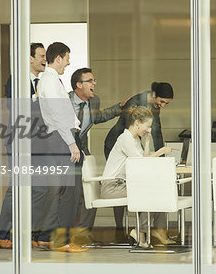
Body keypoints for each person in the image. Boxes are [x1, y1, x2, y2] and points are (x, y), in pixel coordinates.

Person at [103, 82, 174, 240]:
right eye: (161, 102)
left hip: (133, 146)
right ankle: (124, 230)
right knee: (146, 189)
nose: (162, 106)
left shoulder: (136, 137)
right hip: (116, 148)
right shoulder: (128, 130)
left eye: (166, 104)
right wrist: (160, 152)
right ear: (154, 94)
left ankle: (153, 230)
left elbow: (157, 132)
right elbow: (136, 157)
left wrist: (156, 153)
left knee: (154, 186)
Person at [35, 42, 87, 253]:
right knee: (69, 193)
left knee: (60, 190)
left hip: (60, 138)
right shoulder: (50, 81)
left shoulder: (49, 80)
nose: (68, 62)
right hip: (61, 138)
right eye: (67, 58)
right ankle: (62, 240)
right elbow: (58, 115)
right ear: (58, 59)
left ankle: (48, 237)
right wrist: (72, 143)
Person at [68, 68, 129, 244]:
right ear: (79, 85)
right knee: (67, 194)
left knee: (88, 191)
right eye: (90, 81)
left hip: (82, 153)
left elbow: (98, 117)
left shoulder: (94, 101)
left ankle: (83, 233)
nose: (94, 84)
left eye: (94, 80)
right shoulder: (65, 99)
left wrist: (119, 108)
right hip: (63, 151)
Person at [0, 42, 46, 249]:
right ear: (30, 58)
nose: (45, 60)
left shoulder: (43, 83)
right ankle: (2, 235)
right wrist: (37, 100)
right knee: (16, 189)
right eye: (41, 55)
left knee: (40, 189)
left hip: (38, 143)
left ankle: (28, 233)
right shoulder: (15, 80)